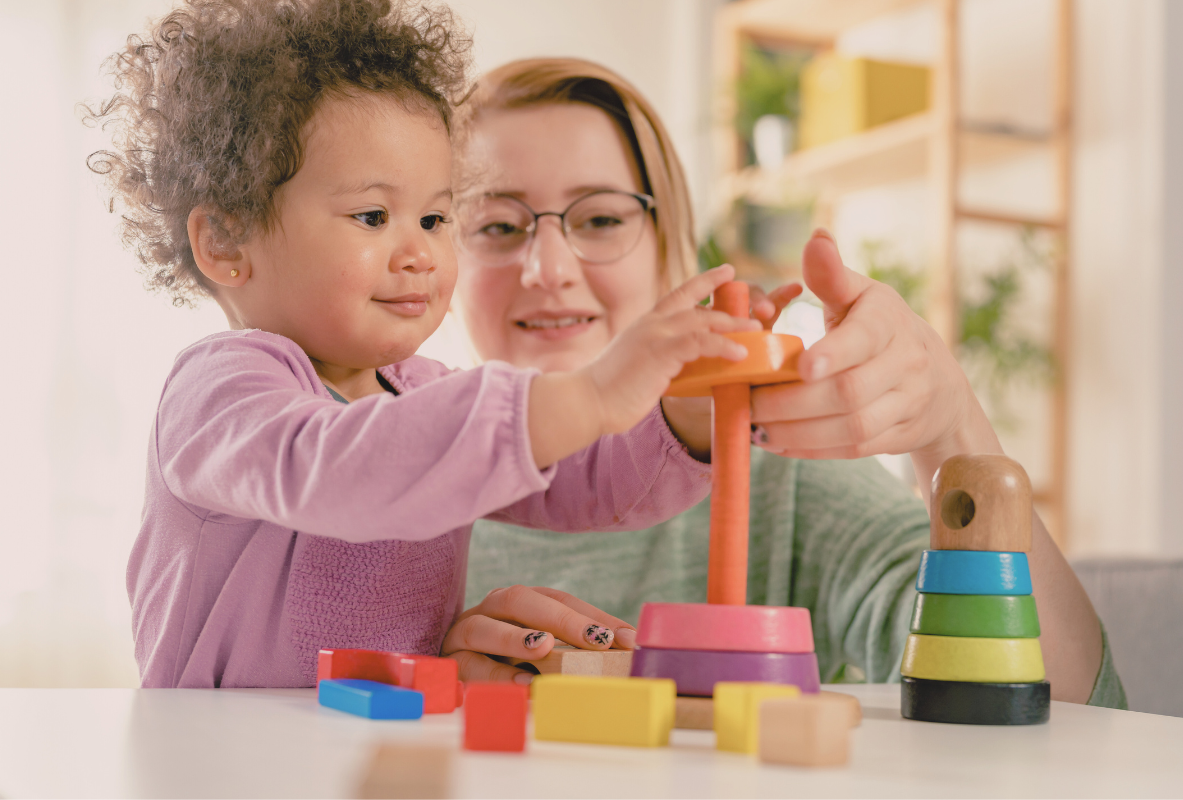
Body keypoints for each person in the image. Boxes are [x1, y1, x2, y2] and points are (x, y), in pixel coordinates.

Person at [90, 1, 758, 688]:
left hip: (386, 747)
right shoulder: (219, 391)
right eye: (373, 216)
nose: (421, 253)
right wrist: (587, 393)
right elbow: (342, 467)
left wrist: (687, 417)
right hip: (223, 761)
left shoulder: (425, 392)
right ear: (226, 241)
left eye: (437, 217)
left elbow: (584, 476)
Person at [449, 57, 1126, 708]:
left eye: (599, 218)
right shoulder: (383, 479)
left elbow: (1062, 711)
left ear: (667, 246)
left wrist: (952, 430)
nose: (549, 268)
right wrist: (418, 684)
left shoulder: (779, 477)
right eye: (497, 225)